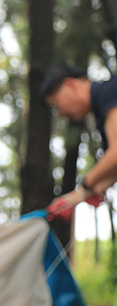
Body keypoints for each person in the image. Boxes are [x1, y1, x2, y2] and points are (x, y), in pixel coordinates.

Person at [43, 66, 115, 220]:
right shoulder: (102, 109)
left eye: (54, 105)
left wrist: (83, 188)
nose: (60, 114)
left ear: (70, 84)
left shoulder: (108, 91)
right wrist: (93, 190)